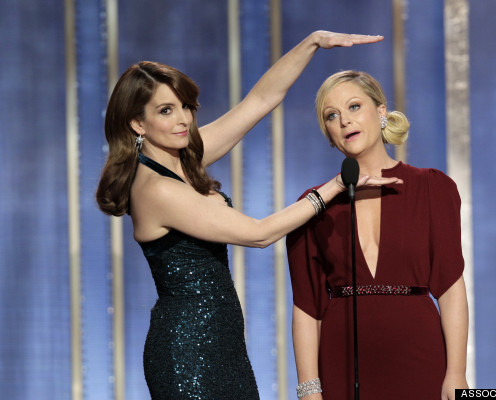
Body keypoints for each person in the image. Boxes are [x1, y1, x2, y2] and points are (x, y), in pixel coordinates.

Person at [95, 32, 395, 400]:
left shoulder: (183, 159)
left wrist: (312, 44)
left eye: (185, 106)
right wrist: (332, 188)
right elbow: (259, 233)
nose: (182, 120)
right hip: (189, 353)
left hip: (222, 344)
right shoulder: (157, 188)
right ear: (138, 124)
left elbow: (261, 100)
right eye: (165, 110)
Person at [286, 70, 469, 400]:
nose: (344, 121)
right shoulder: (311, 206)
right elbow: (306, 307)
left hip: (419, 360)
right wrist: (309, 390)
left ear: (381, 112)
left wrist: (456, 373)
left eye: (354, 107)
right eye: (332, 115)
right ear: (329, 135)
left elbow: (451, 287)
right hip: (341, 364)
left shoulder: (432, 187)